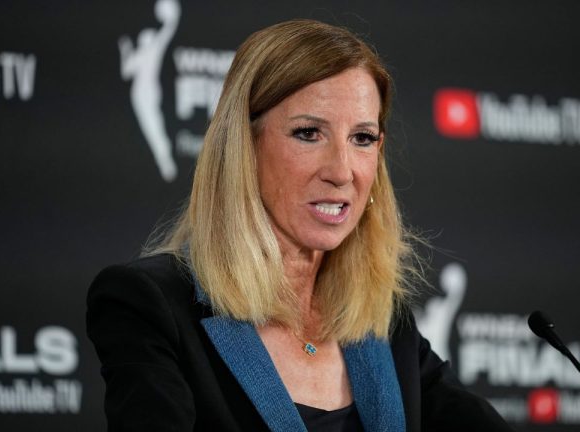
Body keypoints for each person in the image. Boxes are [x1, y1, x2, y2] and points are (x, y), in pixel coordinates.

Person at [87, 19, 514, 432]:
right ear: (245, 146)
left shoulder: (382, 321)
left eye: (362, 138)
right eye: (309, 133)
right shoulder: (152, 304)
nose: (342, 171)